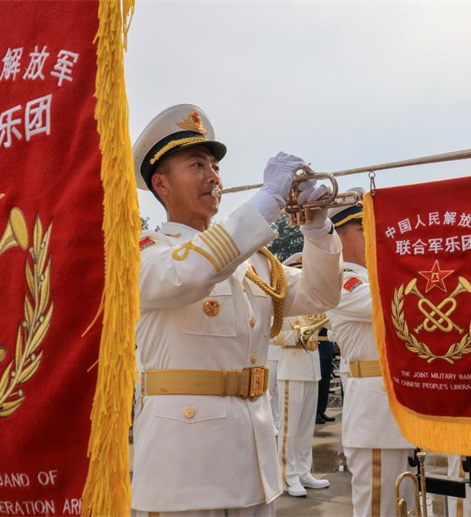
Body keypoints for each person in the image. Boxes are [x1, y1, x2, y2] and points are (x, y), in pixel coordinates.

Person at [131, 104, 342, 516]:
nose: (213, 176)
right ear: (162, 184)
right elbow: (192, 272)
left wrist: (317, 229)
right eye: (197, 165)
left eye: (214, 166)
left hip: (251, 460)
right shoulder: (145, 251)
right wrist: (266, 202)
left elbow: (321, 295)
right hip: (184, 466)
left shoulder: (254, 261)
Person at [325, 189, 415, 517]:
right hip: (376, 416)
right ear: (337, 237)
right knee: (379, 507)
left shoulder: (371, 279)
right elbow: (397, 305)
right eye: (363, 229)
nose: (374, 236)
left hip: (397, 409)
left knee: (404, 504)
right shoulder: (341, 282)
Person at [273, 254, 330, 497]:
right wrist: (298, 336)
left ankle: (304, 470)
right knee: (290, 428)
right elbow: (272, 334)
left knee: (306, 426)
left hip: (311, 367)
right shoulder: (281, 304)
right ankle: (288, 475)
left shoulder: (312, 306)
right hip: (292, 367)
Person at [315, 328, 336, 424]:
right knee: (319, 383)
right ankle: (315, 413)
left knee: (325, 384)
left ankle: (321, 410)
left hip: (328, 348)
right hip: (320, 347)